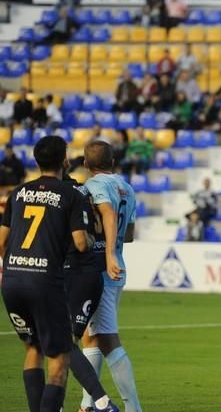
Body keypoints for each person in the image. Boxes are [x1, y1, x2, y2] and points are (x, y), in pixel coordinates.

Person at [0, 136, 93, 412]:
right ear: (65, 160)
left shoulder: (18, 193)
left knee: (32, 348)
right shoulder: (70, 195)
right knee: (60, 359)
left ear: (36, 160)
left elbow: (1, 243)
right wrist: (89, 237)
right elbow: (80, 243)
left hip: (12, 280)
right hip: (44, 282)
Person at [80, 140, 142, 412]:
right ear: (113, 162)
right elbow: (128, 235)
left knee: (107, 339)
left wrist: (104, 249)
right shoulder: (127, 188)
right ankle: (87, 405)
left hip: (100, 268)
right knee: (91, 337)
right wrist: (114, 249)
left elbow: (106, 212)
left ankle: (133, 407)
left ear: (85, 164)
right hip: (118, 267)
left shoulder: (91, 187)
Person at [62, 173, 120, 412]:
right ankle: (90, 404)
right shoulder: (86, 191)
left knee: (64, 343)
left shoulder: (62, 196)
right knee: (75, 341)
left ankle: (99, 402)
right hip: (94, 274)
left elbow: (79, 241)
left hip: (74, 272)